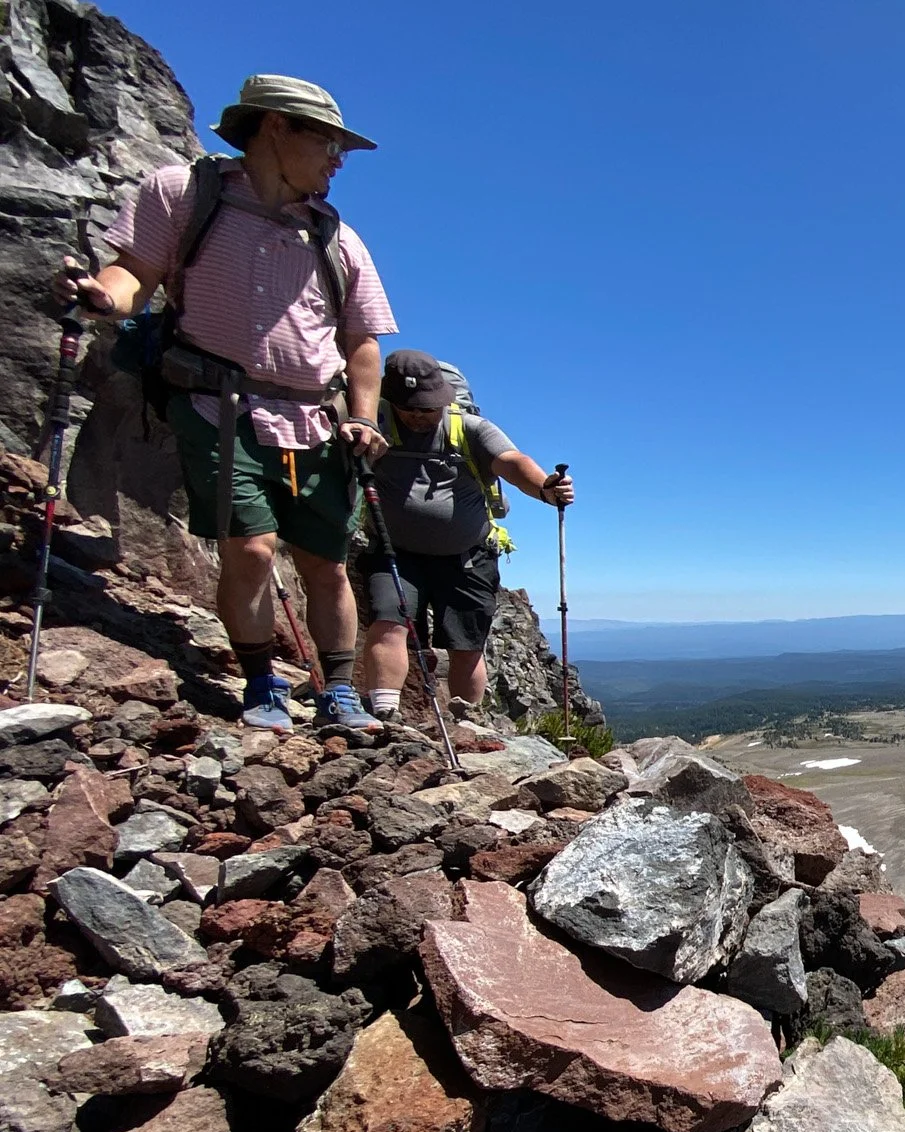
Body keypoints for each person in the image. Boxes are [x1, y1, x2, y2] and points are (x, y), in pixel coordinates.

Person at [55, 75, 395, 733]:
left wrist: (360, 415)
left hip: (318, 422)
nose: (338, 160)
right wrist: (103, 295)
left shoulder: (337, 237)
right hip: (219, 405)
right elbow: (133, 276)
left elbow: (361, 344)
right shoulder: (183, 194)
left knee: (325, 563)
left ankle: (339, 692)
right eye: (328, 141)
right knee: (253, 550)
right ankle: (261, 680)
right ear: (274, 127)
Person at [358, 350, 572, 720]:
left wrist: (544, 488)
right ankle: (384, 716)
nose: (420, 416)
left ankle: (467, 724)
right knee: (388, 622)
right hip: (395, 552)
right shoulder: (373, 423)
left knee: (467, 646)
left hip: (467, 555)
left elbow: (511, 462)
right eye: (411, 409)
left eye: (429, 408)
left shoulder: (469, 428)